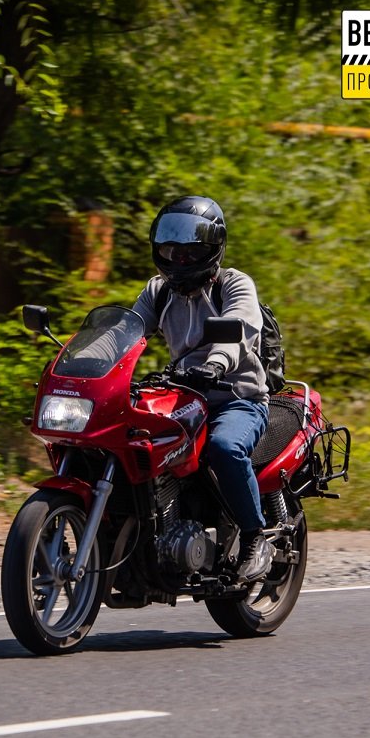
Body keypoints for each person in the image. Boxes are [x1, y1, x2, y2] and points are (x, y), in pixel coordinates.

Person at [130, 195, 273, 581]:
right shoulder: (158, 291)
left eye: (190, 249)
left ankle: (255, 537)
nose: (179, 257)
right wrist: (88, 359)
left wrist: (215, 364)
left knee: (224, 447)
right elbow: (125, 331)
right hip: (182, 399)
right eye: (171, 247)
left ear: (212, 247)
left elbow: (238, 330)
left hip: (235, 397)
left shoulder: (234, 284)